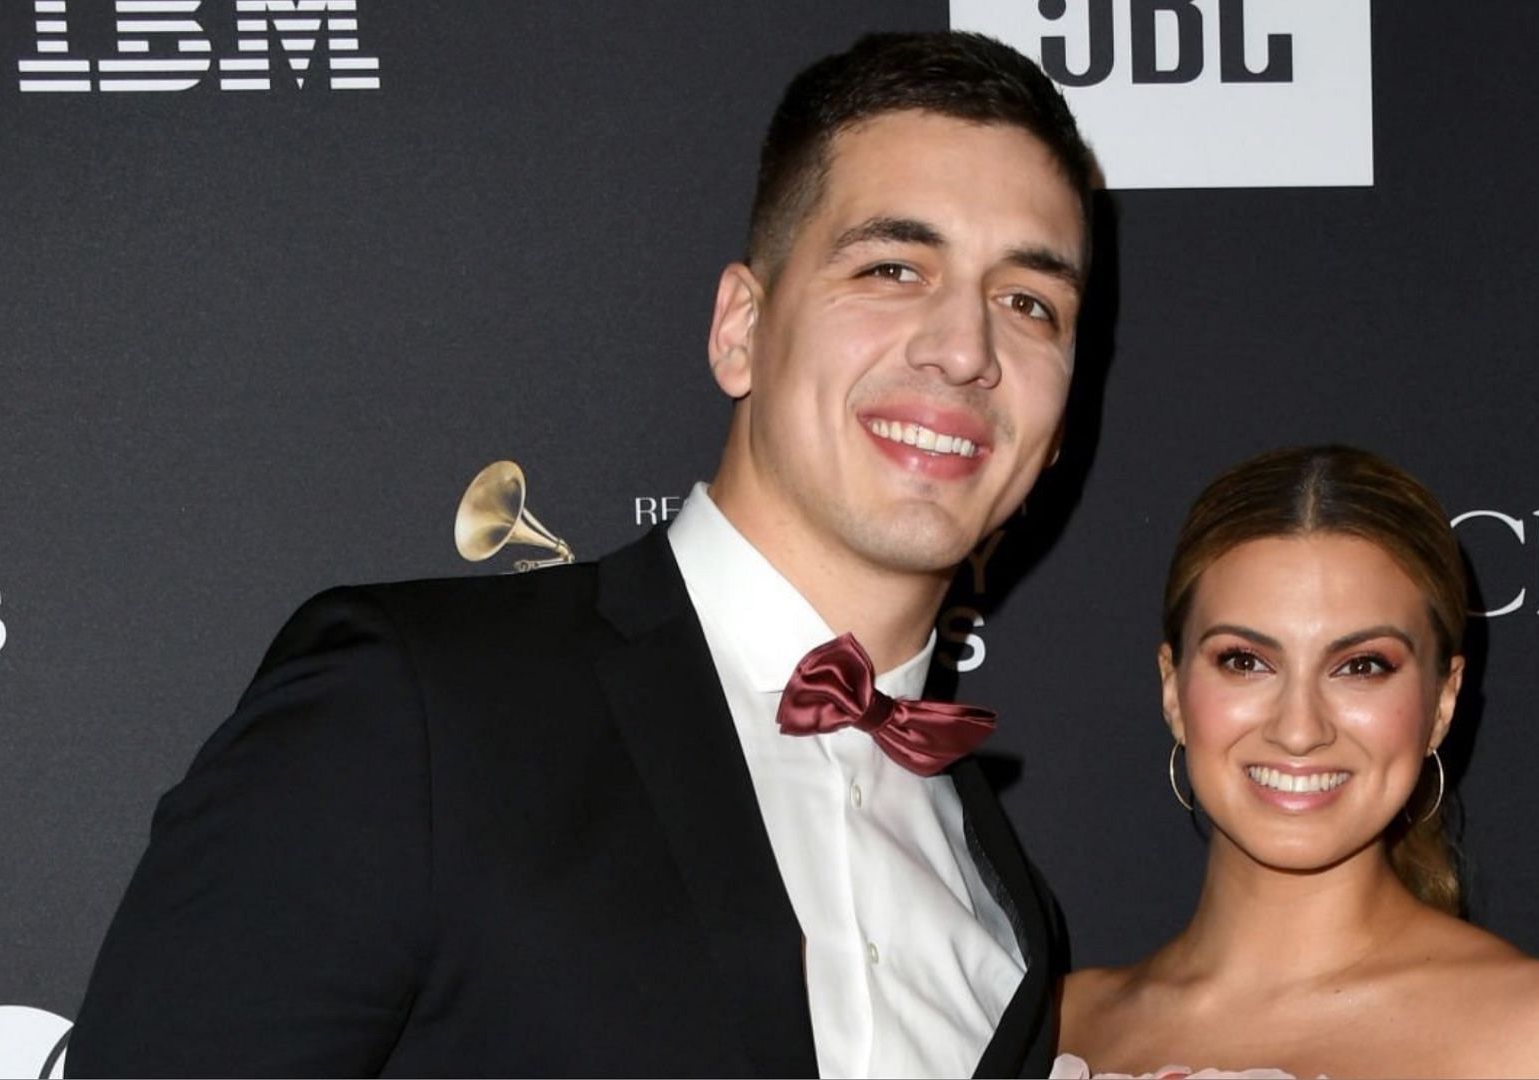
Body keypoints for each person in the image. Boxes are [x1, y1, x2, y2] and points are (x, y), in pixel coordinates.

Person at [70, 31, 1097, 1078]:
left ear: (1059, 421)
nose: (965, 348)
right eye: (891, 266)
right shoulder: (414, 710)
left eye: (1030, 304)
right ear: (740, 328)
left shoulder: (1007, 901)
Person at [1056, 446, 1539, 1079]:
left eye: (1362, 666)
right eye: (1245, 661)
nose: (1299, 730)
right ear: (1173, 689)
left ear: (1442, 703)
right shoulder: (1059, 1023)